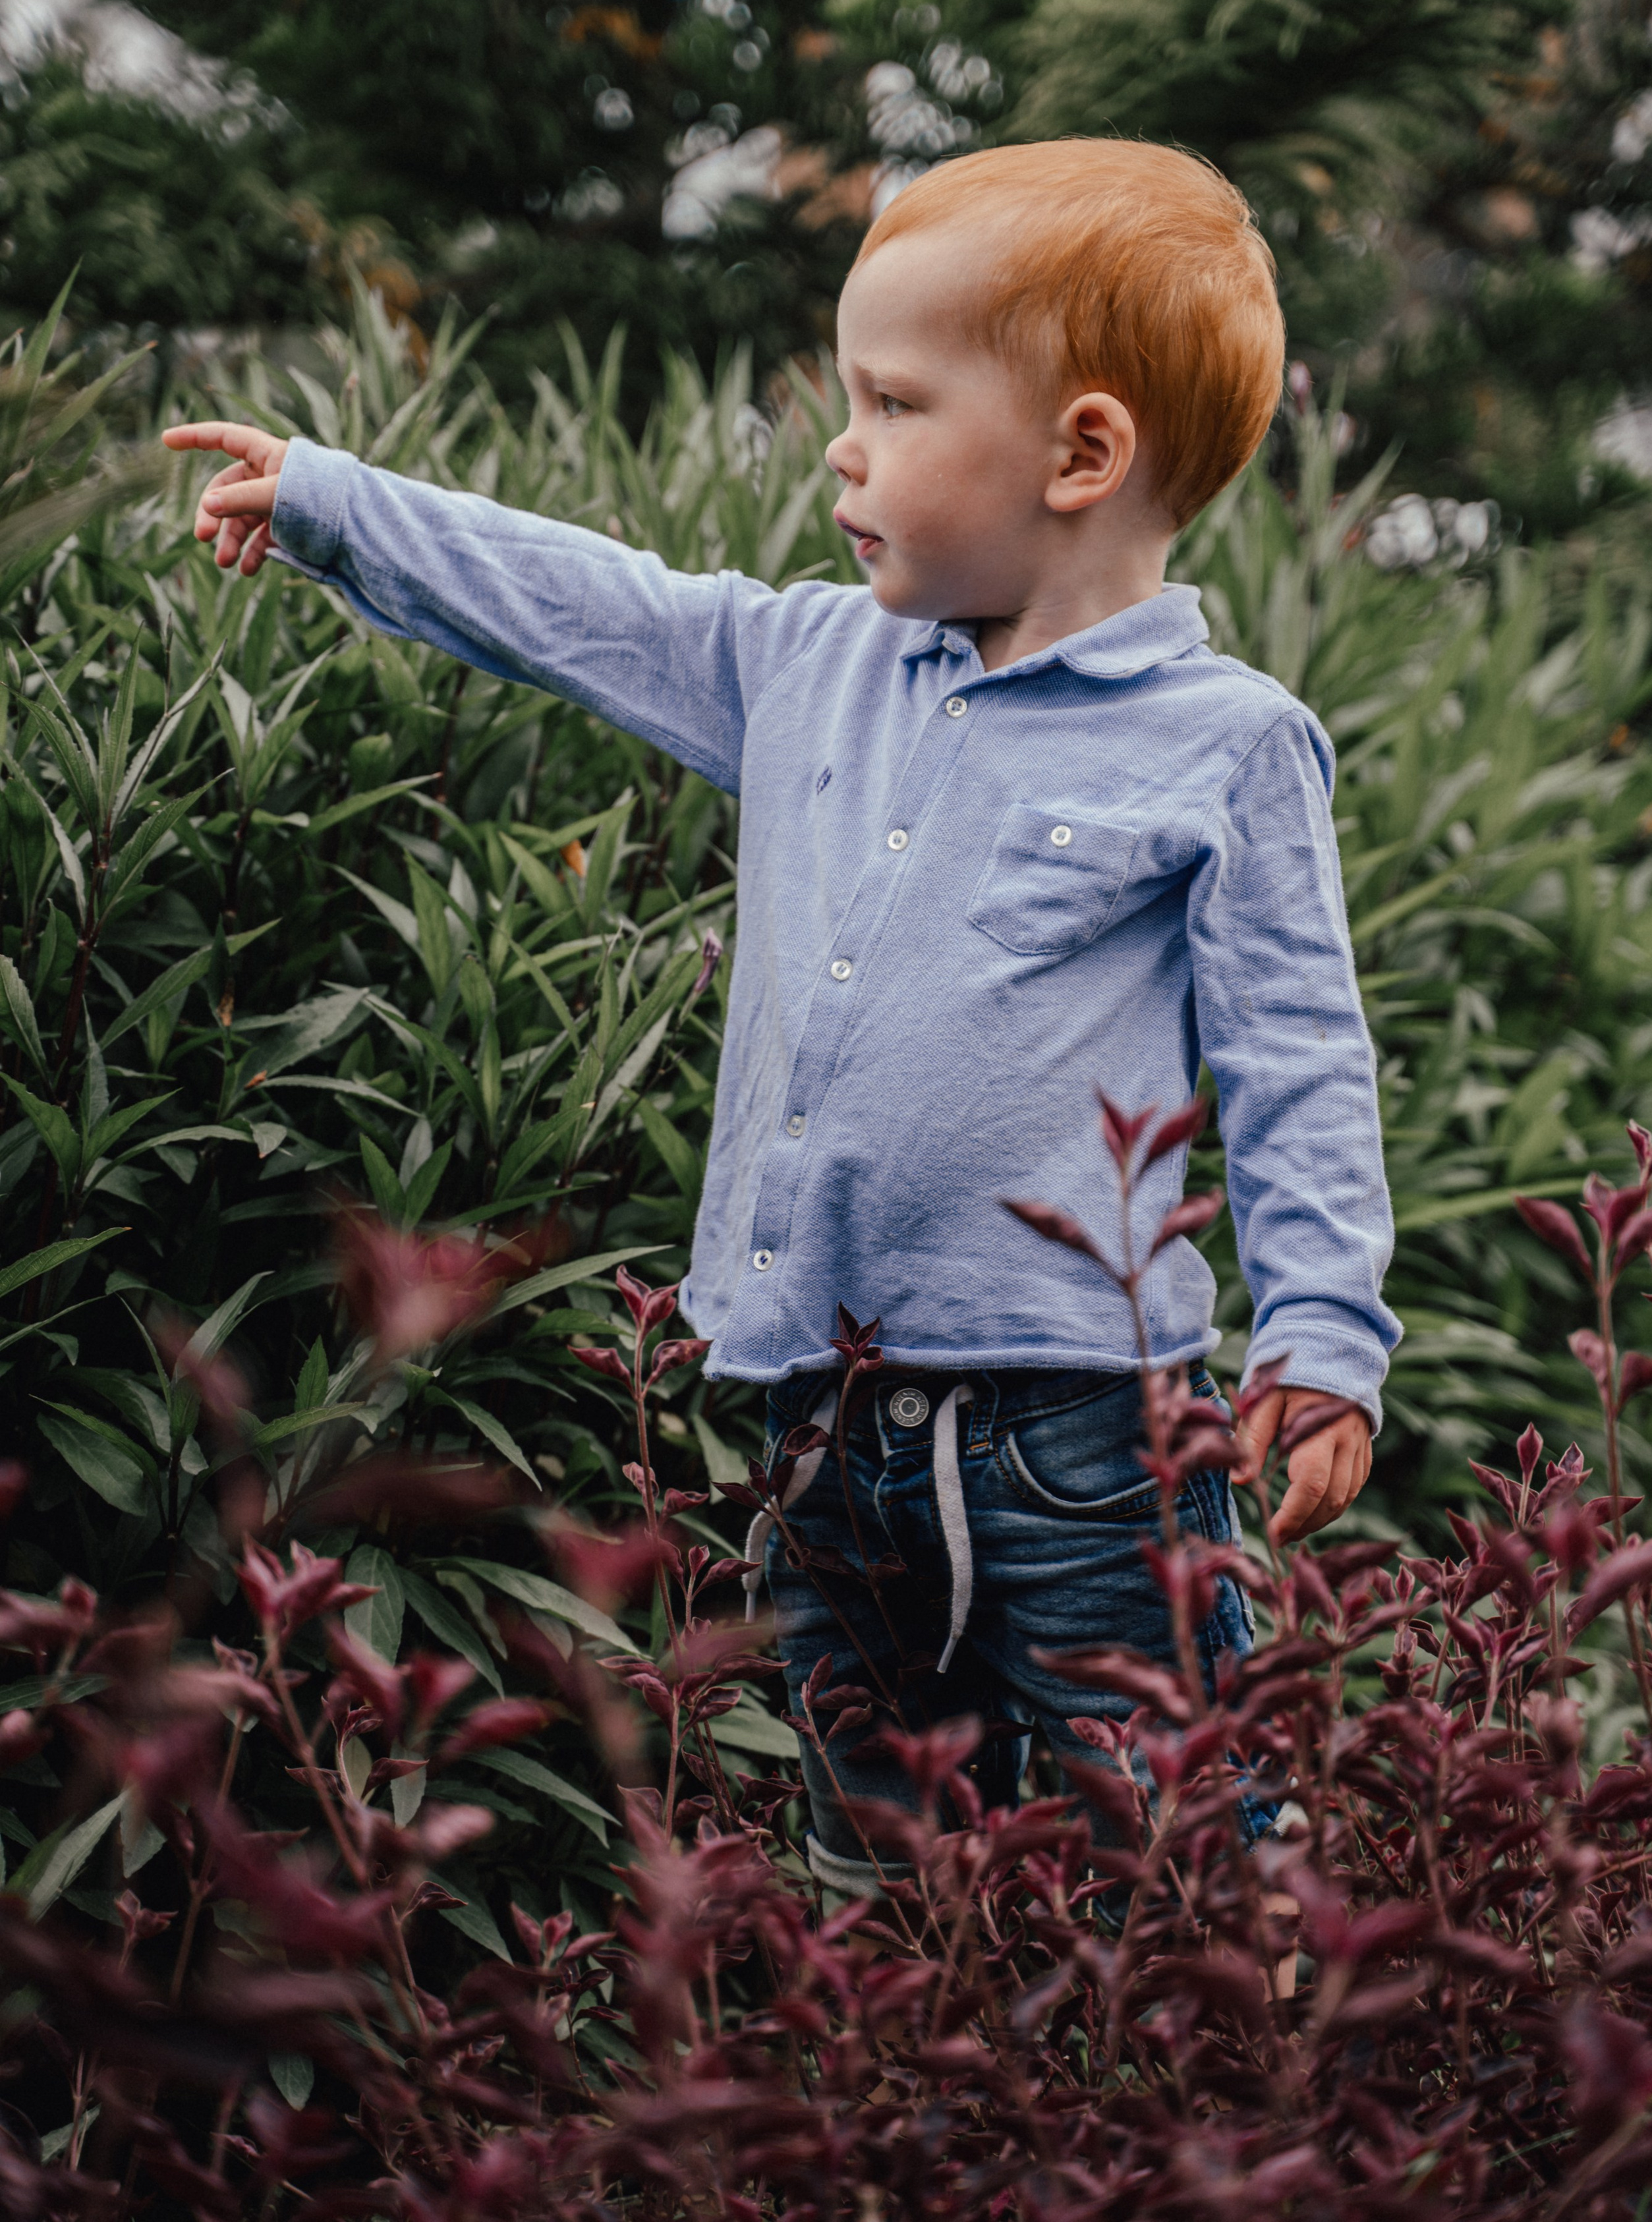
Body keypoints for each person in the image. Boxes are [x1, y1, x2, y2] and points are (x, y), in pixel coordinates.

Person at [164, 138, 1399, 1893]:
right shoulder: (802, 664)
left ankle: (1220, 2146)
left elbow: (1299, 1064)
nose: (844, 444)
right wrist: (336, 500)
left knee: (1175, 1863)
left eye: (896, 403)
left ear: (1083, 453)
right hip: (817, 1419)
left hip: (1088, 1437)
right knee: (877, 1878)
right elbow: (582, 602)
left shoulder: (1225, 743)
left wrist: (1324, 1336)